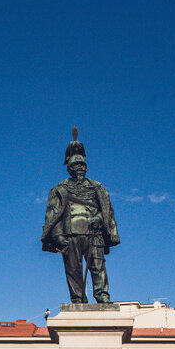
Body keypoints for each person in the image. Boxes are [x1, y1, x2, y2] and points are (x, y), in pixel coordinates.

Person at [40, 128, 121, 304]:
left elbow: (107, 209)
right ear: (69, 169)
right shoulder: (59, 189)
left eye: (82, 166)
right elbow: (52, 215)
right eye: (76, 166)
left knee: (98, 265)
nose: (79, 169)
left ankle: (102, 297)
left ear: (86, 168)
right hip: (70, 233)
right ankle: (78, 299)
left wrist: (100, 218)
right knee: (73, 270)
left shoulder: (97, 187)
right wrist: (58, 235)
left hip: (94, 232)